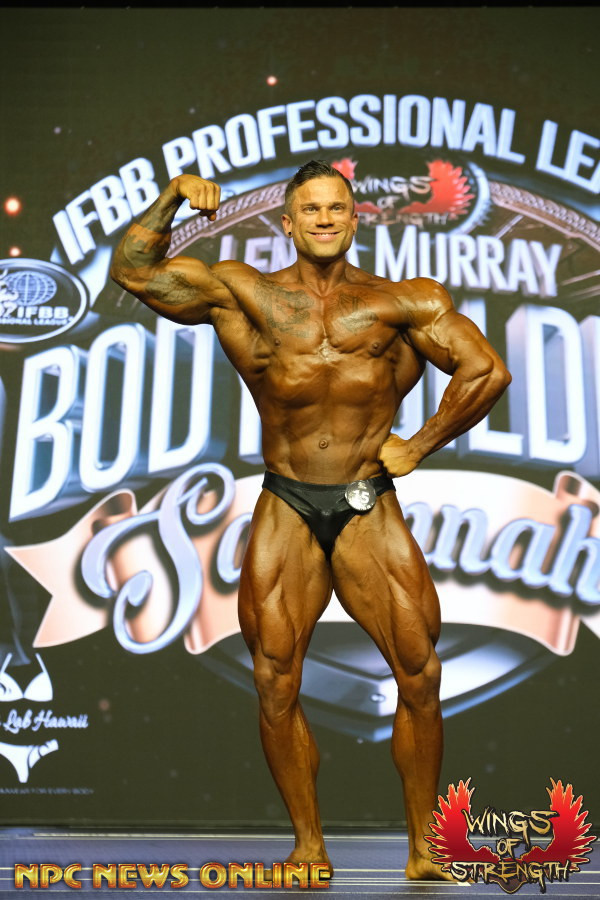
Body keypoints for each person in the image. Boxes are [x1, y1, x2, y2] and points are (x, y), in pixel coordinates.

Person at [110, 160, 511, 881]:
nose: (324, 219)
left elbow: (486, 370)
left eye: (336, 208)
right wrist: (171, 198)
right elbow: (135, 272)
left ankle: (425, 847)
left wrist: (420, 444)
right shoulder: (245, 293)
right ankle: (308, 846)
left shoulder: (402, 302)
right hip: (287, 503)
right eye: (311, 209)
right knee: (275, 681)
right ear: (288, 223)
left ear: (355, 219)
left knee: (419, 673)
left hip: (366, 502)